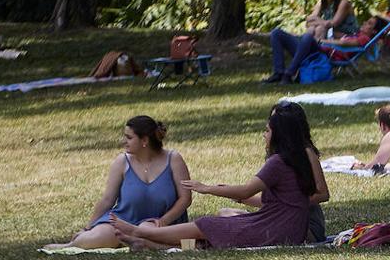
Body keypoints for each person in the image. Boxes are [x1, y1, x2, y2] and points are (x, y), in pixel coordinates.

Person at [111, 102, 326, 249]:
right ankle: (150, 243)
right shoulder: (295, 157)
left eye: (267, 130)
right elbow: (274, 198)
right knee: (212, 236)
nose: (264, 135)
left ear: (280, 134)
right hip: (284, 227)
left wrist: (208, 188)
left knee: (207, 225)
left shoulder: (279, 161)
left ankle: (142, 233)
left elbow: (246, 189)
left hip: (278, 229)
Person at [43, 116, 191, 250]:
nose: (123, 141)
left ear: (144, 141)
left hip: (159, 224)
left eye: (129, 137)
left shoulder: (173, 159)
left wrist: (164, 221)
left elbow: (185, 198)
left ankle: (140, 239)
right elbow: (107, 200)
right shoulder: (122, 161)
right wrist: (87, 228)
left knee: (149, 230)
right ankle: (69, 246)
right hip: (124, 221)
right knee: (94, 239)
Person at [262, 15, 390, 84]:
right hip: (314, 50)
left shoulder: (364, 38)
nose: (364, 23)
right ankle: (279, 73)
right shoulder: (356, 34)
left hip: (322, 54)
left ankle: (288, 73)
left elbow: (346, 45)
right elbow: (340, 36)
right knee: (276, 33)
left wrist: (323, 41)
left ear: (374, 31)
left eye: (369, 23)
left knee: (308, 37)